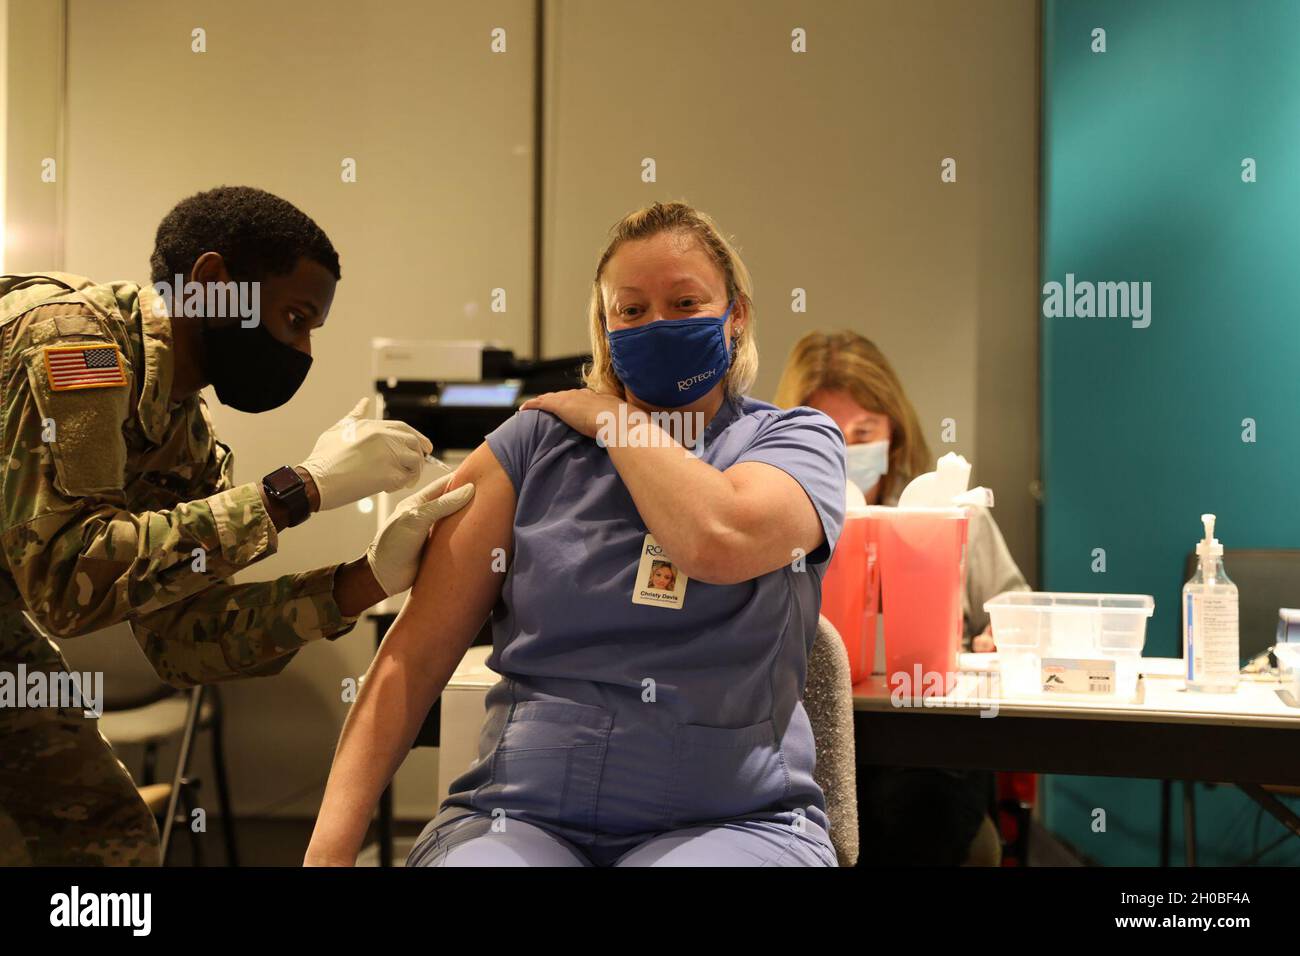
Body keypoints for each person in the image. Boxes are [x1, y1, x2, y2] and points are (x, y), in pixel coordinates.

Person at [306, 201, 846, 867]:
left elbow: (717, 539)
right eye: (632, 310)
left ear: (735, 317)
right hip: (521, 818)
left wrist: (613, 422)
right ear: (604, 326)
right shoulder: (533, 447)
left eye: (685, 302)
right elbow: (410, 660)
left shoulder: (793, 442)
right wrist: (327, 853)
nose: (657, 324)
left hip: (732, 823)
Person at [0, 186, 473, 865]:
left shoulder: (183, 437)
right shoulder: (77, 347)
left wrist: (365, 580)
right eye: (295, 317)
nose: (303, 351)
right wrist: (297, 491)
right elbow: (66, 580)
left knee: (97, 829)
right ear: (215, 285)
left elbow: (184, 640)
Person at [775, 329, 1028, 865]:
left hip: (936, 756)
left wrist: (999, 634)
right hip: (812, 749)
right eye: (829, 433)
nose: (848, 449)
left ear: (894, 428)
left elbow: (1016, 608)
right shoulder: (772, 525)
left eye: (864, 430)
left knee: (914, 811)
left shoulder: (952, 517)